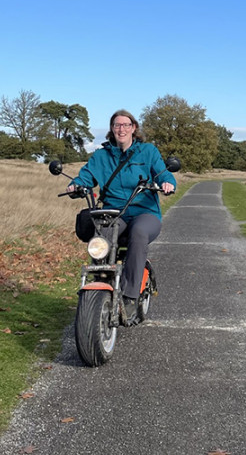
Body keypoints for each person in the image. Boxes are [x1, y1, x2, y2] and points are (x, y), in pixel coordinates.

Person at [67, 109, 176, 318]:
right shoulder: (101, 156)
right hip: (114, 213)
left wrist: (167, 183)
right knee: (103, 237)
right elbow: (86, 175)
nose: (121, 129)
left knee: (139, 233)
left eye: (126, 125)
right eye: (117, 125)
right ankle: (101, 283)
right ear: (112, 129)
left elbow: (163, 172)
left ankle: (130, 296)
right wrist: (76, 186)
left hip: (145, 212)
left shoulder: (148, 151)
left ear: (134, 128)